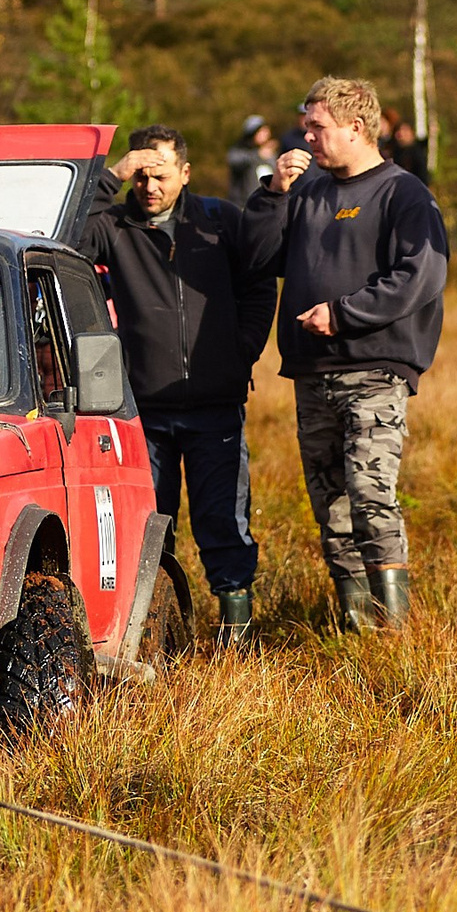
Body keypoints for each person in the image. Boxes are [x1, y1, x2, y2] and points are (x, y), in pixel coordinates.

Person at [245, 78, 450, 632]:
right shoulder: (306, 191)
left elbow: (422, 274)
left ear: (356, 127)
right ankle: (357, 627)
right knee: (331, 507)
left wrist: (343, 314)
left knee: (369, 494)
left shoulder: (403, 193)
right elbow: (257, 258)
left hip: (375, 370)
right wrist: (273, 194)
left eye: (318, 127)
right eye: (305, 127)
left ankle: (395, 632)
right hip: (312, 373)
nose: (306, 138)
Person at [75, 126, 277, 644]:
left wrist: (241, 349)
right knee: (150, 526)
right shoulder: (112, 225)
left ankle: (236, 638)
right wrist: (110, 177)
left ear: (185, 173)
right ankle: (158, 635)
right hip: (143, 412)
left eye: (160, 175)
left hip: (216, 404)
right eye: (140, 175)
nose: (149, 186)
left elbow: (260, 280)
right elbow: (65, 238)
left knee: (223, 521)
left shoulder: (219, 222)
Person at [225, 116, 279, 204]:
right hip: (243, 203)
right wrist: (258, 155)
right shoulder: (239, 151)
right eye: (260, 131)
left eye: (265, 131)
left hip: (265, 202)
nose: (264, 134)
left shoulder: (270, 153)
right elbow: (234, 162)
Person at [379, 107, 429, 182]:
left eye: (405, 132)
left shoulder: (416, 152)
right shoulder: (393, 150)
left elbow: (422, 175)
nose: (401, 135)